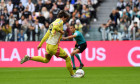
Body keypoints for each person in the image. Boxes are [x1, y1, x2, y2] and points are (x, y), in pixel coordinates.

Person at [20, 10, 79, 78]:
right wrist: (61, 31)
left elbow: (46, 35)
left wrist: (40, 44)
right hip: (53, 46)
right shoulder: (60, 21)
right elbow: (56, 27)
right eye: (66, 18)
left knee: (46, 60)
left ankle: (29, 57)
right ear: (63, 17)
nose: (66, 20)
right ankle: (73, 75)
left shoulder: (53, 23)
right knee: (68, 58)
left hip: (48, 45)